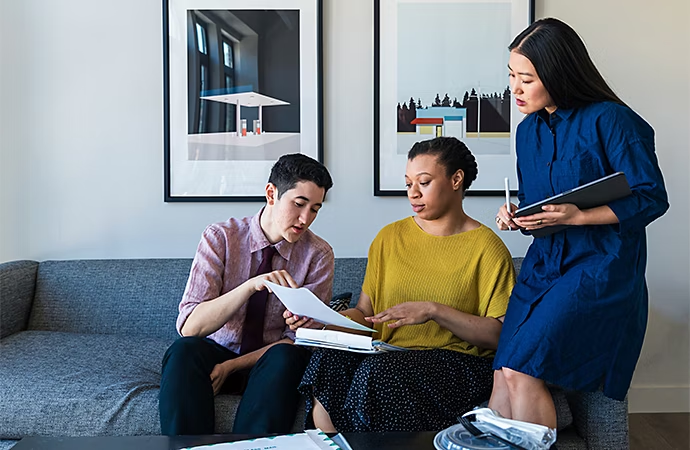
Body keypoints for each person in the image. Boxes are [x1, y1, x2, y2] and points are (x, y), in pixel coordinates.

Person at [491, 18, 669, 428]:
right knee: (502, 376)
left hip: (599, 267)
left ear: (558, 74)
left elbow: (652, 197)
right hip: (544, 266)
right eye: (511, 76)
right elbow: (543, 201)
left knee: (521, 369)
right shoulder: (527, 132)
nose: (514, 90)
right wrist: (517, 214)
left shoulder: (612, 120)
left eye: (526, 79)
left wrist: (581, 216)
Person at [289, 137, 516, 432]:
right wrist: (322, 323)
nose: (413, 193)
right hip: (389, 355)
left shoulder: (487, 247)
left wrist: (434, 310)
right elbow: (365, 314)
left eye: (424, 182)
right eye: (409, 184)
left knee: (379, 374)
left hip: (459, 364)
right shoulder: (388, 238)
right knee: (328, 361)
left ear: (456, 179)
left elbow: (499, 335)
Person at [159, 153, 335, 435]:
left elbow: (299, 342)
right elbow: (190, 327)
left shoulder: (318, 255)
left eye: (315, 209)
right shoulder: (221, 237)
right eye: (299, 204)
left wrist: (231, 367)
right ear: (271, 194)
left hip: (272, 365)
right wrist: (250, 286)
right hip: (215, 352)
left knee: (287, 358)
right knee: (183, 351)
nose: (305, 219)